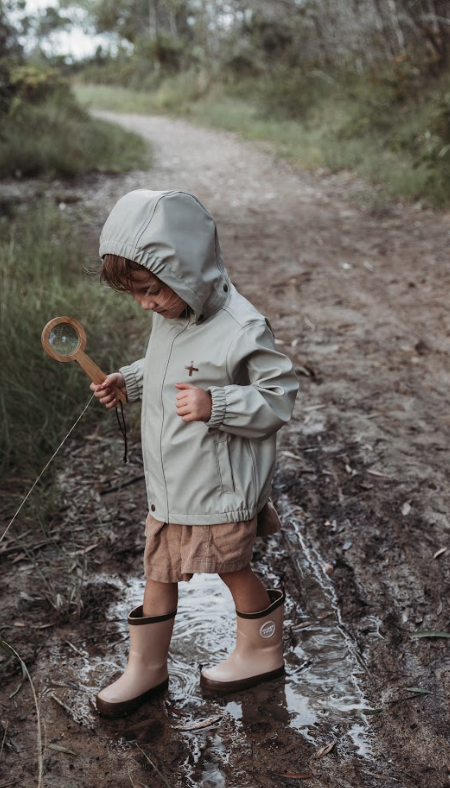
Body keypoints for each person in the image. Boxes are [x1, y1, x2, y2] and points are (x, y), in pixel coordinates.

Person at [91, 189, 298, 717]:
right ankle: (146, 668)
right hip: (171, 482)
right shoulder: (173, 313)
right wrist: (129, 381)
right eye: (135, 293)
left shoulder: (240, 326)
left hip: (218, 485)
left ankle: (262, 649)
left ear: (186, 269)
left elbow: (278, 398)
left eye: (151, 289)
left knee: (232, 568)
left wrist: (217, 403)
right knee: (157, 570)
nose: (146, 303)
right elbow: (165, 366)